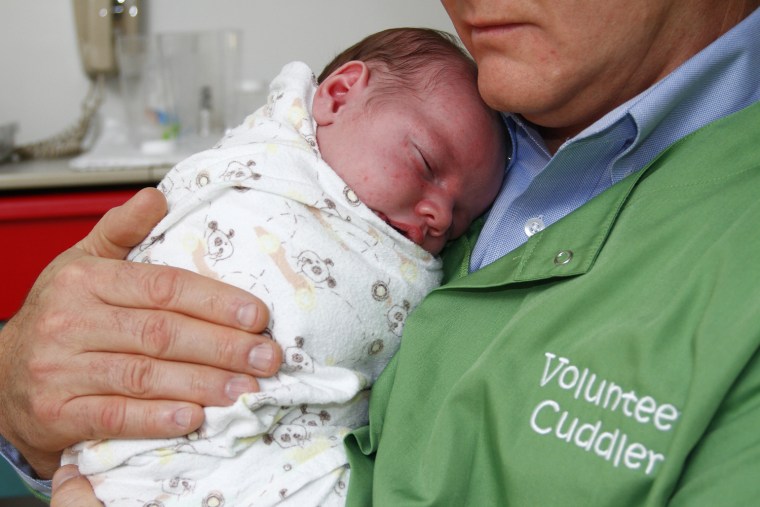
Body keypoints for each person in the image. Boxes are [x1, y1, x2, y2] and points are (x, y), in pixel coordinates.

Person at [4, 0, 760, 505]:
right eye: (425, 167)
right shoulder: (392, 127)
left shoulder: (733, 266)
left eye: (451, 207)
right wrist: (19, 402)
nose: (432, 220)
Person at [60, 28, 506, 506]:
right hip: (148, 438)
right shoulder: (261, 169)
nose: (439, 216)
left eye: (461, 218)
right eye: (424, 162)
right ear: (337, 96)